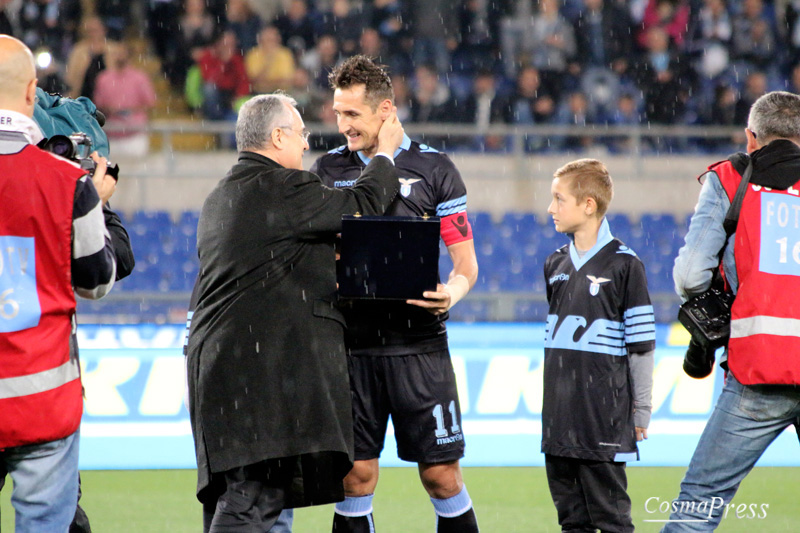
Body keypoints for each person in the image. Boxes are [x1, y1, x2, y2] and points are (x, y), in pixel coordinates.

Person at [186, 92, 404, 532]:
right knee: (252, 501)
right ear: (278, 136)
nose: (307, 144)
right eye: (302, 134)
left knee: (243, 499)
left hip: (220, 372)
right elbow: (361, 205)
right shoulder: (283, 187)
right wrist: (385, 155)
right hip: (256, 377)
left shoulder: (221, 196)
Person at [311, 55, 480, 533]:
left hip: (421, 348)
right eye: (338, 113)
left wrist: (453, 292)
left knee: (442, 477)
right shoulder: (328, 169)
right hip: (352, 348)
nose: (342, 125)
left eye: (352, 114)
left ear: (385, 109)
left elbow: (466, 264)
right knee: (355, 476)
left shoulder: (436, 168)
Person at [664, 91, 800, 530]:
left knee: (700, 504)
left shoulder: (731, 179)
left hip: (759, 367)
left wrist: (716, 308)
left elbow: (689, 275)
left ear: (750, 138)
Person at [0, 34, 117, 532]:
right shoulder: (68, 182)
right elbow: (97, 280)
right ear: (32, 93)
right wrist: (100, 204)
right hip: (41, 396)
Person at [542, 158, 655, 533]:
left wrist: (641, 410)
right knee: (571, 522)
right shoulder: (554, 263)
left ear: (588, 205)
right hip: (558, 421)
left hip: (602, 419)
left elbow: (641, 346)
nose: (550, 208)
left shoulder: (626, 265)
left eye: (559, 199)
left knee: (612, 522)